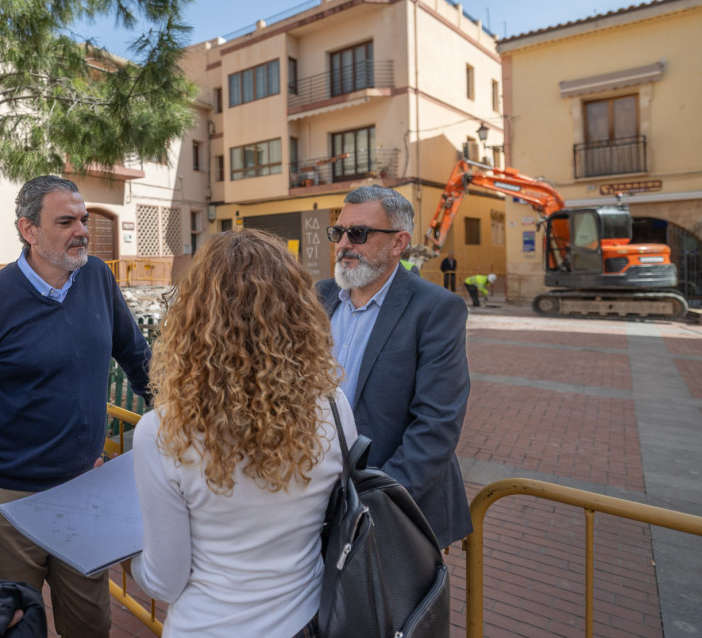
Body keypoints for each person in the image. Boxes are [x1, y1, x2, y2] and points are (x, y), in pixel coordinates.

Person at [0, 175, 150, 638]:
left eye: (83, 219)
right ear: (28, 230)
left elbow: (137, 356)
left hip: (86, 492)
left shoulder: (97, 277)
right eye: (65, 221)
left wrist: (175, 416)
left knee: (91, 625)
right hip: (10, 504)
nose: (82, 230)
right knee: (16, 627)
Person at [128, 230, 355, 637]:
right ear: (299, 311)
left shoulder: (162, 432)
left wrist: (132, 562)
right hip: (306, 619)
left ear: (193, 316)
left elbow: (164, 581)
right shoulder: (334, 407)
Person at [316, 185, 472, 549]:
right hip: (318, 501)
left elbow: (436, 428)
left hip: (393, 512)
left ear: (398, 243)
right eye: (338, 233)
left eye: (358, 234)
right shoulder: (318, 297)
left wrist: (370, 507)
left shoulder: (435, 309)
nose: (343, 245)